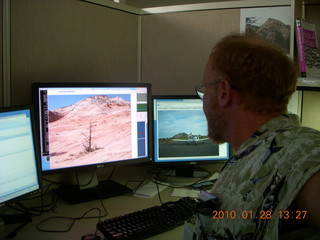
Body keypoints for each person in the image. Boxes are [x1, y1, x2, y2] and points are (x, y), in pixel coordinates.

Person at [184, 33, 320, 239]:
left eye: (205, 89)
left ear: (223, 92)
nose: (204, 99)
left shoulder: (301, 151)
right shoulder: (252, 152)